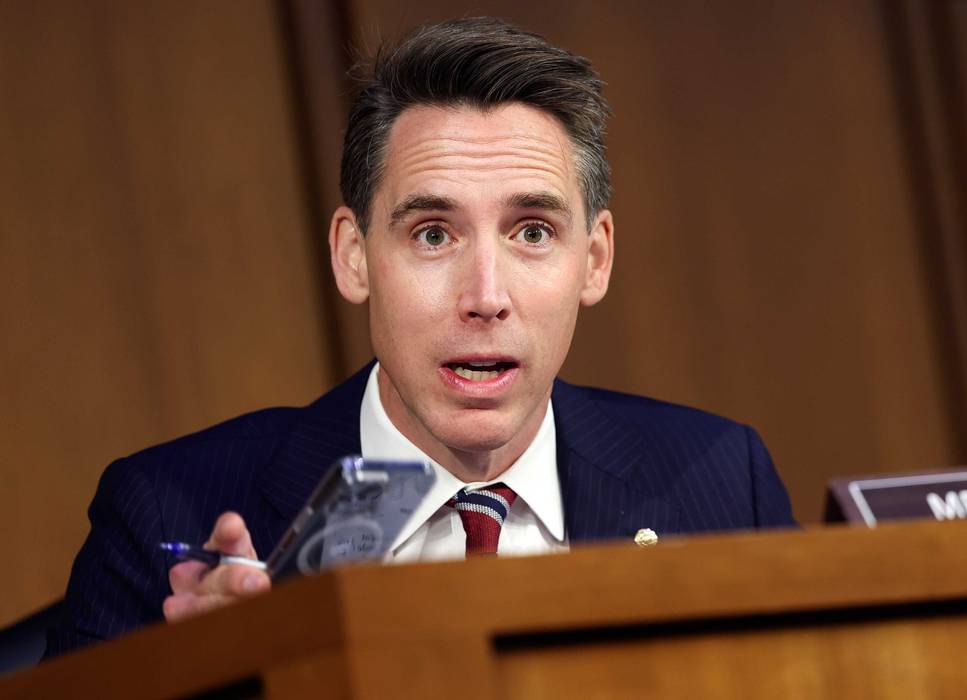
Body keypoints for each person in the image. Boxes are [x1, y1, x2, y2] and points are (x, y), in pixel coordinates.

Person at [45, 17, 794, 658]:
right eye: (433, 234)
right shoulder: (167, 513)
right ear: (354, 254)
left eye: (532, 232)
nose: (485, 298)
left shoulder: (723, 483)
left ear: (593, 259)